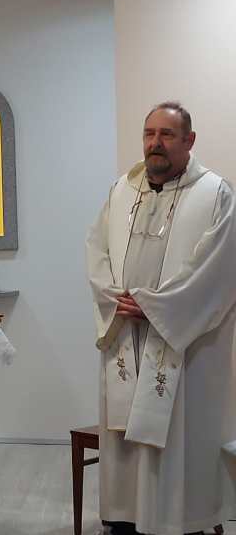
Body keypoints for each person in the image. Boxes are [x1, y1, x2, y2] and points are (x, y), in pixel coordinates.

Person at [86, 103, 236, 535]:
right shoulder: (121, 190)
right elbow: (95, 251)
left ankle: (180, 523)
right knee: (126, 437)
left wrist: (157, 306)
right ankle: (126, 520)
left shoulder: (216, 193)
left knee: (177, 441)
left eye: (167, 134)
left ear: (189, 141)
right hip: (124, 335)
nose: (156, 143)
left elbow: (219, 269)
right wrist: (114, 298)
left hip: (183, 344)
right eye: (149, 133)